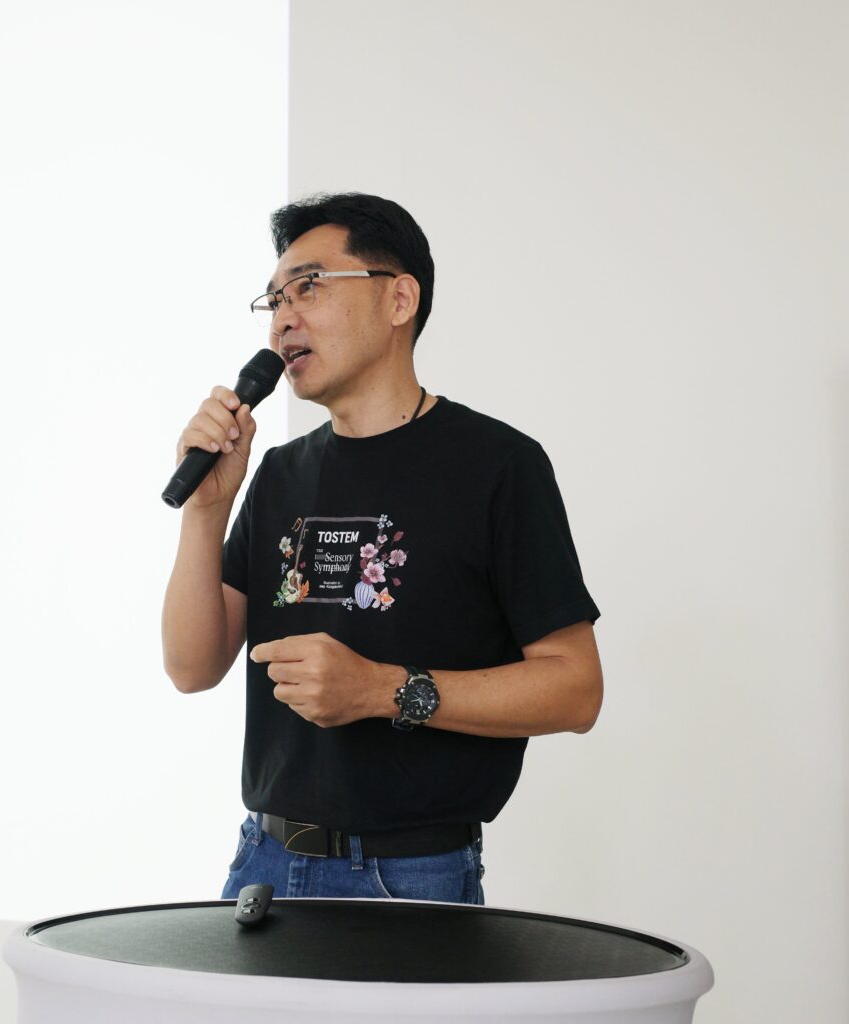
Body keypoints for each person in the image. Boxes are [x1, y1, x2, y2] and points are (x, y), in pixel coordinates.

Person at [161, 192, 603, 905]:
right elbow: (191, 667)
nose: (283, 318)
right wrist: (205, 514)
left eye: (309, 286)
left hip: (410, 878)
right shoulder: (279, 473)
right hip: (264, 865)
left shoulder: (498, 465)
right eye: (274, 299)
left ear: (399, 299)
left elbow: (575, 688)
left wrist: (381, 690)